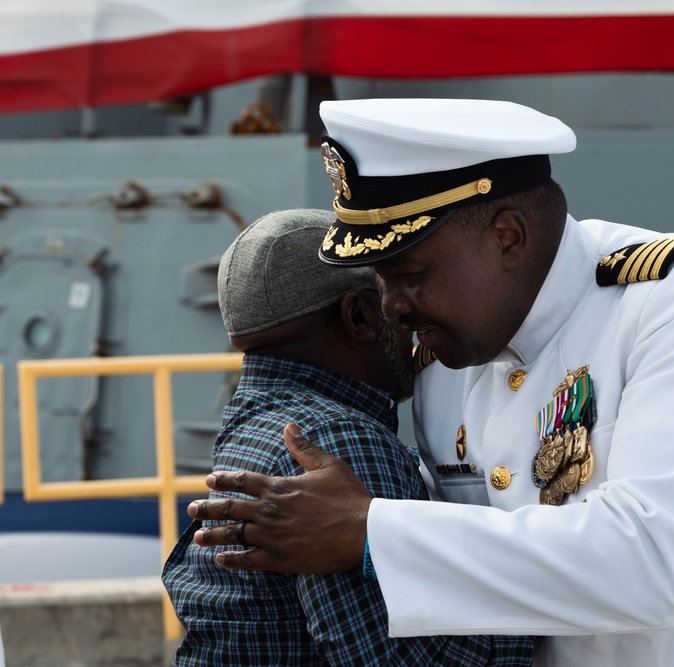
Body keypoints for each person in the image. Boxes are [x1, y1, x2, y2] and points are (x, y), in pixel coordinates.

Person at [188, 99, 674, 666]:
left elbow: (651, 564)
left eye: (409, 274)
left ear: (506, 235)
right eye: (379, 278)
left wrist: (369, 529)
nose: (392, 306)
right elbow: (494, 585)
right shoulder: (446, 366)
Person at [162, 208, 534, 666]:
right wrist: (541, 604)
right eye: (390, 294)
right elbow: (398, 658)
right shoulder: (337, 443)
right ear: (358, 316)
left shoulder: (254, 422)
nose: (409, 314)